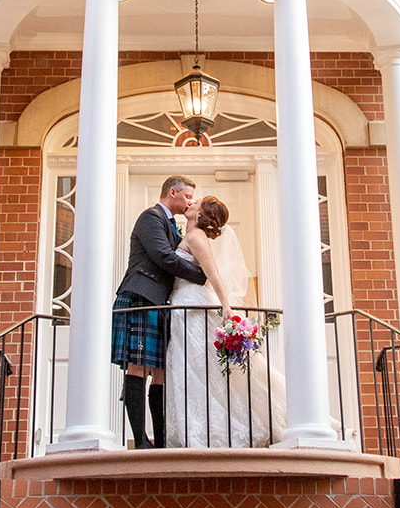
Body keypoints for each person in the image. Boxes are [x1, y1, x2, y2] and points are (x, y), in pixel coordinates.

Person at [165, 195, 287, 449]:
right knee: (194, 367)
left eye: (195, 202)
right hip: (182, 304)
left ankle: (218, 429)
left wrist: (227, 306)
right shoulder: (189, 236)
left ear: (200, 216)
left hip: (193, 304)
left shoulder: (197, 237)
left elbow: (213, 274)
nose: (191, 202)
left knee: (199, 366)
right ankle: (200, 428)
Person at [112, 175, 207, 448]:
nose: (190, 201)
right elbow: (164, 257)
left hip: (159, 302)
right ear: (173, 192)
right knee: (138, 366)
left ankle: (162, 439)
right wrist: (202, 276)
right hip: (141, 298)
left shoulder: (172, 225)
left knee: (160, 372)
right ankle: (141, 440)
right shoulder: (150, 217)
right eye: (188, 196)